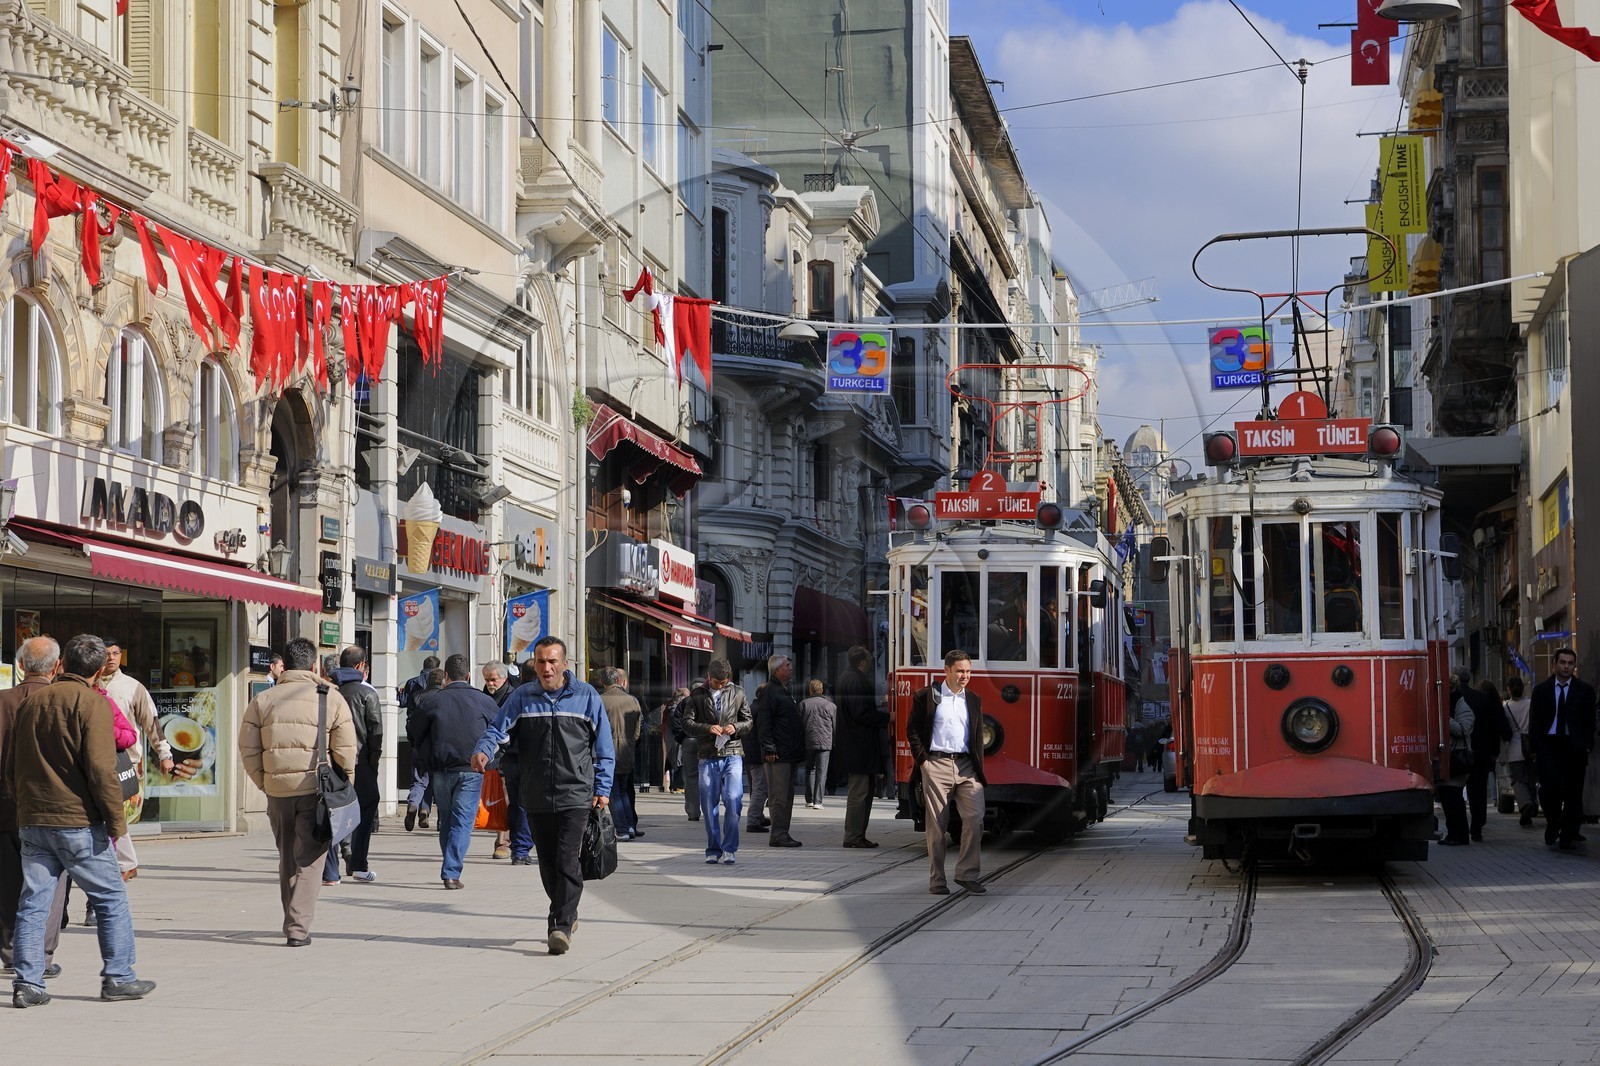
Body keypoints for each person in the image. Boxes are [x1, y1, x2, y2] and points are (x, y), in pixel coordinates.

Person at [6, 634, 155, 1005]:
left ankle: (28, 983)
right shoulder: (93, 704)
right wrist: (116, 824)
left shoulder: (33, 701)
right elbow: (102, 771)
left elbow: (12, 765)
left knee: (33, 902)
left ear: (62, 666)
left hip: (34, 817)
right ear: (97, 669)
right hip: (77, 821)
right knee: (110, 897)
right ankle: (118, 976)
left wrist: (24, 802)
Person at [472, 637, 612, 956]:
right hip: (535, 793)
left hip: (576, 793)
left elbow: (604, 749)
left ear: (565, 664)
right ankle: (567, 910)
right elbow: (498, 729)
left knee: (566, 858)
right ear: (534, 664)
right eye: (540, 662)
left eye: (552, 661)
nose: (546, 668)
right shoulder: (523, 697)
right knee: (548, 862)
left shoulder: (586, 696)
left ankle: (559, 925)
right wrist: (482, 751)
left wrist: (602, 789)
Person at [240, 637, 357, 947]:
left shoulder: (263, 699)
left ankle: (292, 919)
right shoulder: (329, 697)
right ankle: (297, 928)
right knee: (311, 859)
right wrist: (347, 782)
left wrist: (264, 782)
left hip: (277, 791)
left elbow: (247, 749)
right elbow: (345, 750)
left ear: (284, 665)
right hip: (314, 789)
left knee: (287, 858)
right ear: (313, 665)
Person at [0, 638, 68, 983]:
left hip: (6, 810)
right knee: (51, 886)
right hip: (51, 810)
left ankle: (12, 952)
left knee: (8, 882)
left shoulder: (3, 701)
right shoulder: (63, 701)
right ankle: (40, 954)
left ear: (22, 665)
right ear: (56, 668)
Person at [408, 654, 496, 889]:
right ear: (469, 676)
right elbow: (500, 730)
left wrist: (426, 752)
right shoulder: (483, 701)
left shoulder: (433, 700)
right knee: (462, 822)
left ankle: (450, 866)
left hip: (440, 769)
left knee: (446, 819)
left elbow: (415, 730)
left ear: (446, 676)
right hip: (471, 769)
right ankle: (451, 871)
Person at [906, 649, 987, 895]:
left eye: (969, 671)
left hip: (966, 767)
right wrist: (924, 762)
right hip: (936, 764)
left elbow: (977, 735)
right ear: (947, 670)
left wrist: (977, 765)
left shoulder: (973, 699)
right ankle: (937, 880)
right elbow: (913, 731)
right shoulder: (926, 696)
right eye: (960, 671)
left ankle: (966, 874)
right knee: (937, 826)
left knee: (975, 819)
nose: (965, 676)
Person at [99, 639, 172, 888]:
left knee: (117, 814)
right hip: (96, 759)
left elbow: (151, 722)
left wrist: (164, 753)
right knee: (112, 814)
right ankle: (124, 863)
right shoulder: (89, 683)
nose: (111, 657)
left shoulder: (132, 687)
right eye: (106, 653)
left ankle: (124, 863)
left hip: (126, 761)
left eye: (115, 653)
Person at [681, 659, 752, 864]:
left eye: (723, 682)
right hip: (707, 754)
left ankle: (730, 847)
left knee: (733, 799)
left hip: (733, 752)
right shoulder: (697, 695)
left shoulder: (738, 692)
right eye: (716, 682)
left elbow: (748, 721)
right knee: (708, 804)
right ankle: (713, 848)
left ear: (728, 679)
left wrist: (736, 728)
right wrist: (706, 728)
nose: (720, 686)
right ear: (709, 678)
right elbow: (686, 723)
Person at [323, 646, 383, 885]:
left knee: (333, 811)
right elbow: (375, 731)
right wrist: (373, 762)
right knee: (367, 808)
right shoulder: (367, 693)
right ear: (361, 666)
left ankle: (331, 871)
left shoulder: (327, 691)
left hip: (331, 762)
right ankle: (359, 864)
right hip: (361, 762)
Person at [1530, 647, 1597, 851]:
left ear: (1574, 666)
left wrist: (1586, 745)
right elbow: (1535, 720)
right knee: (1549, 789)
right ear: (1554, 664)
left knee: (1573, 794)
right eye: (1563, 662)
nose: (1566, 667)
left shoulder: (1584, 690)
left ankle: (1567, 836)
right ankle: (1553, 822)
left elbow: (1589, 722)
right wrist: (1536, 748)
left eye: (1570, 663)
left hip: (1574, 747)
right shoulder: (1541, 690)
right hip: (1549, 745)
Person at [835, 646, 888, 848]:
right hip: (858, 745)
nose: (872, 660)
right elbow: (861, 713)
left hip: (857, 744)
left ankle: (857, 835)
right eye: (870, 658)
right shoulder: (855, 679)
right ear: (863, 661)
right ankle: (854, 836)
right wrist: (885, 717)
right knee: (860, 793)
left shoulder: (847, 677)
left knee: (862, 792)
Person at [753, 655, 805, 848]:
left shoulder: (782, 690)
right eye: (787, 665)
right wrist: (769, 748)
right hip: (777, 754)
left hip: (787, 753)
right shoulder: (770, 691)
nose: (790, 668)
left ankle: (783, 832)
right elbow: (764, 723)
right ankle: (778, 834)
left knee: (787, 795)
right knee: (778, 796)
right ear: (777, 670)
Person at [599, 668, 643, 840]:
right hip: (627, 751)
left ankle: (623, 829)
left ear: (603, 682)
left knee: (613, 792)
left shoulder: (600, 700)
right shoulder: (632, 700)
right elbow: (638, 731)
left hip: (607, 751)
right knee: (623, 790)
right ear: (618, 680)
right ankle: (630, 826)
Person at [399, 655, 441, 831]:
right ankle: (425, 809)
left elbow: (406, 710)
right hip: (438, 743)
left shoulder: (413, 688)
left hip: (419, 742)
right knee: (434, 779)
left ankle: (413, 804)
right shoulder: (443, 695)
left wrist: (413, 739)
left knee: (419, 779)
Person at [1466, 677, 1509, 841]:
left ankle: (1471, 825)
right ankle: (1477, 824)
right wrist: (1494, 751)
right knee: (1479, 788)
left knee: (1469, 789)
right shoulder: (1488, 702)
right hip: (1484, 753)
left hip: (1467, 751)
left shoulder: (1468, 699)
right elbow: (1496, 728)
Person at [482, 662, 517, 860]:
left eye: (493, 679)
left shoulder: (513, 697)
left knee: (505, 799)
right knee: (496, 799)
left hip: (507, 755)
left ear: (504, 678)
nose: (490, 683)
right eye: (487, 679)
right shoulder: (483, 695)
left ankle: (503, 843)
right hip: (489, 755)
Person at [1437, 672, 1475, 846]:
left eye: (1450, 688)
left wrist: (1444, 718)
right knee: (1446, 798)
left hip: (1457, 759)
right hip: (1446, 758)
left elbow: (1463, 729)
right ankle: (1453, 834)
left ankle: (1460, 835)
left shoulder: (1461, 705)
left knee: (1453, 798)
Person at [1502, 676, 1537, 827]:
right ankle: (1531, 806)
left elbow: (1504, 730)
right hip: (1531, 747)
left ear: (1509, 689)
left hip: (1515, 748)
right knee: (1531, 779)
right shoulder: (1531, 705)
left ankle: (1526, 804)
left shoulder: (1506, 707)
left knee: (1517, 780)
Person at [800, 679, 836, 810]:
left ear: (810, 690)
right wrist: (835, 742)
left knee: (810, 769)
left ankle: (809, 799)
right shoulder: (831, 706)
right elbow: (835, 726)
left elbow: (799, 725)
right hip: (825, 742)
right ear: (822, 691)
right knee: (822, 771)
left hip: (808, 741)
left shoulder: (803, 704)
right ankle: (818, 801)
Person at [672, 683, 702, 820]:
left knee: (691, 778)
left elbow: (676, 723)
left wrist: (682, 739)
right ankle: (709, 810)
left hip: (689, 740)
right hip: (705, 741)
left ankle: (693, 812)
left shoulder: (685, 702)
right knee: (709, 777)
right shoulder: (709, 700)